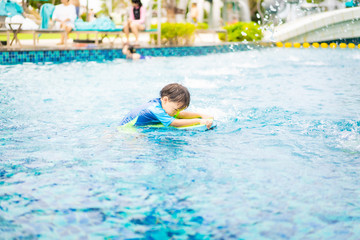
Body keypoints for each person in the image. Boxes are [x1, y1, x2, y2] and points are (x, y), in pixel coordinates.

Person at [119, 83, 214, 129]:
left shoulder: (163, 105)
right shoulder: (155, 109)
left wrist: (201, 115)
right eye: (176, 110)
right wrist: (199, 121)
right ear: (165, 100)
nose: (176, 113)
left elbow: (180, 114)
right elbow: (174, 122)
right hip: (127, 130)